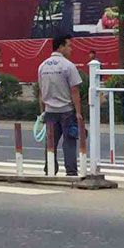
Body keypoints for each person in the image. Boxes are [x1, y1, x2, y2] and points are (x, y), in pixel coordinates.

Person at [38, 34, 83, 177]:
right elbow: (74, 90)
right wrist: (78, 112)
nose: (71, 49)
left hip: (49, 111)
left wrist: (42, 112)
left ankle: (50, 170)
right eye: (69, 46)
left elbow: (41, 92)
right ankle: (71, 171)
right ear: (61, 47)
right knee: (69, 142)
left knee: (50, 143)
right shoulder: (68, 66)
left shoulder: (42, 66)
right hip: (66, 111)